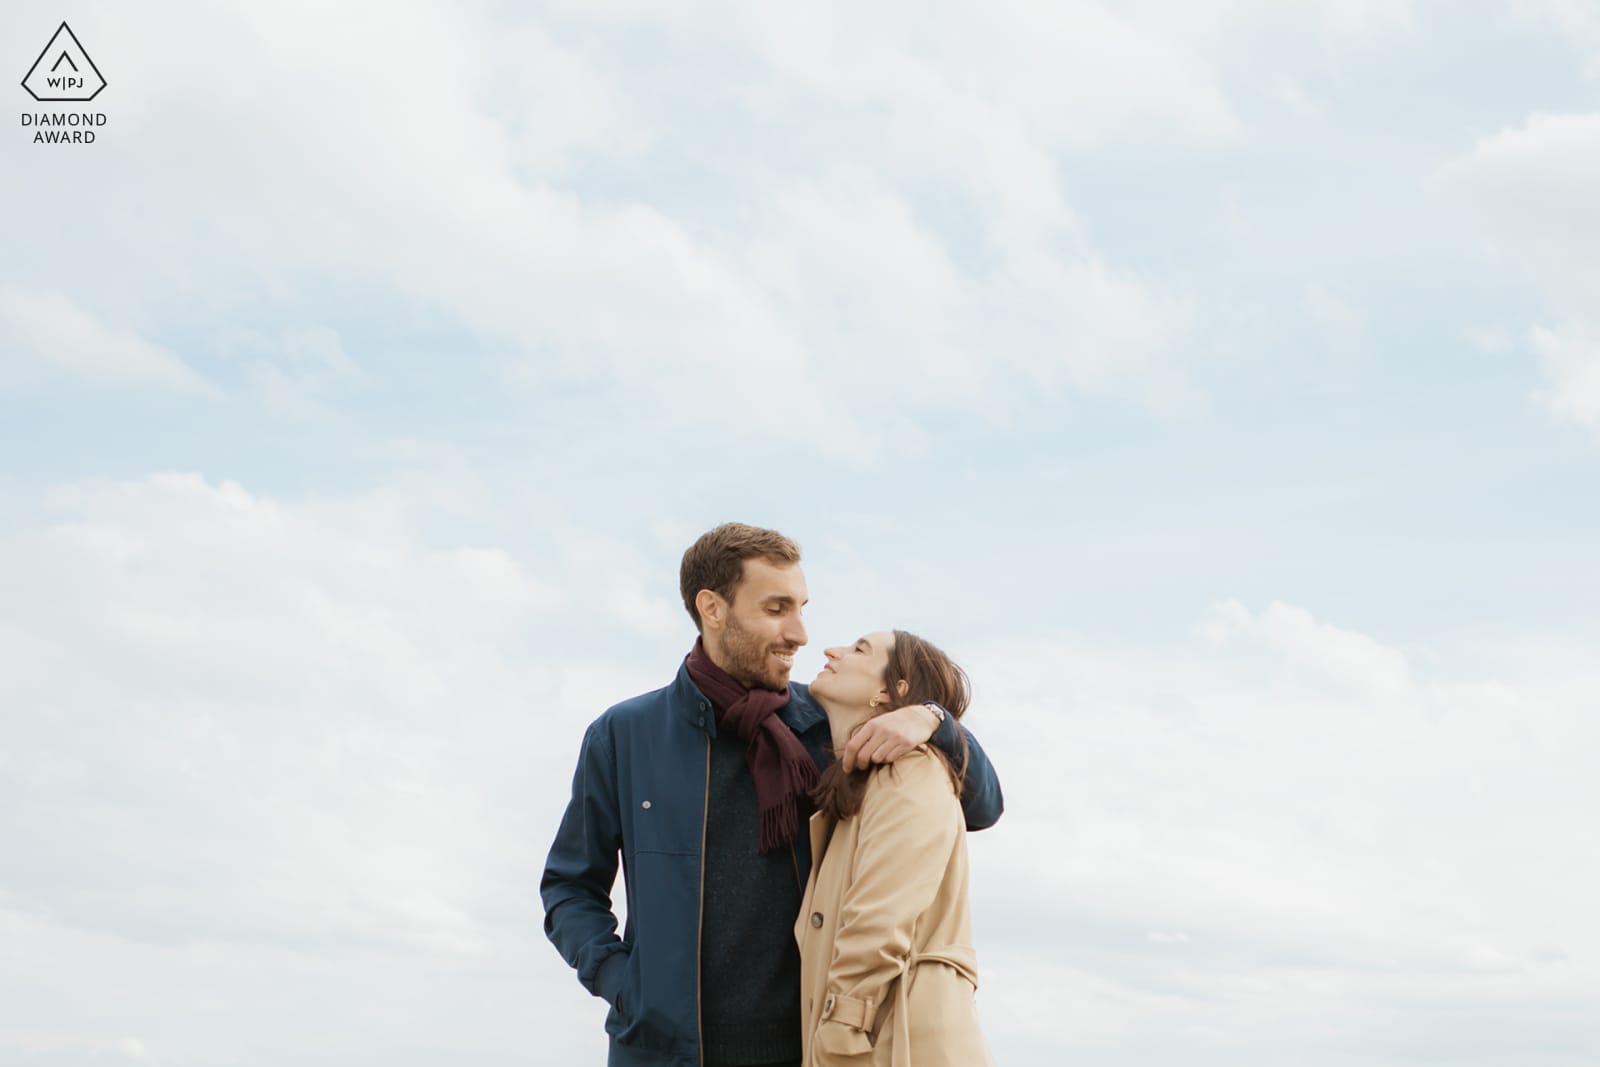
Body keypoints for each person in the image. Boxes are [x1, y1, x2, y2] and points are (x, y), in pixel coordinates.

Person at [542, 523, 1004, 1067]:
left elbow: (982, 805)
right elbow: (570, 886)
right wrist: (623, 983)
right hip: (663, 1052)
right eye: (776, 609)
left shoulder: (830, 728)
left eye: (801, 608)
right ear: (713, 609)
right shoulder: (625, 735)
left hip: (807, 1049)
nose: (800, 633)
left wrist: (935, 721)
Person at [798, 630, 995, 1067]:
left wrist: (841, 1031)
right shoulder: (860, 789)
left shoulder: (911, 770)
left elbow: (879, 919)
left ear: (891, 690)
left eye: (858, 649)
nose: (831, 650)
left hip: (893, 1042)